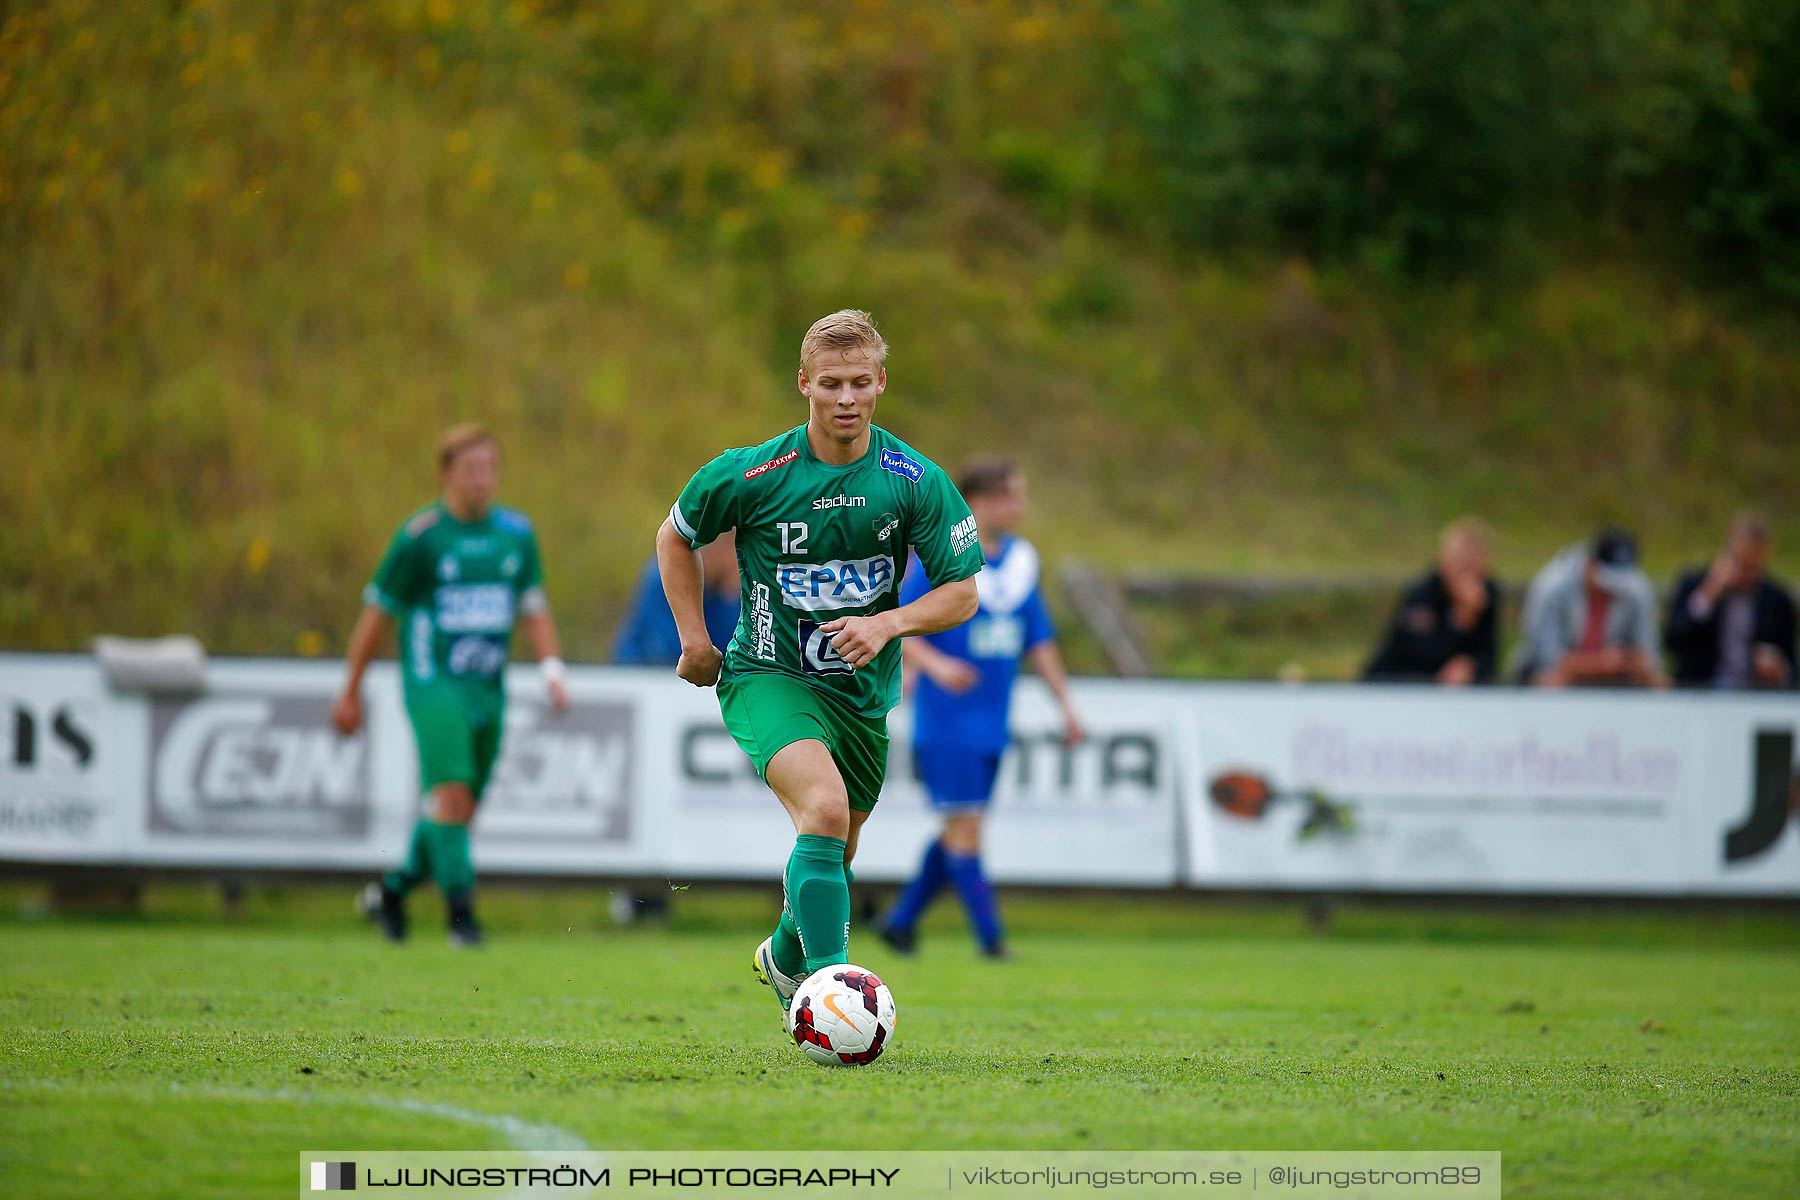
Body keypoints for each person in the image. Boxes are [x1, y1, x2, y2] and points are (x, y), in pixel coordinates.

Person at [655, 310, 983, 1023]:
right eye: (830, 383)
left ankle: (785, 956)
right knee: (825, 810)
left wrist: (888, 623)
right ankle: (834, 996)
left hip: (862, 694)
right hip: (768, 673)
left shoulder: (912, 479)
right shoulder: (751, 473)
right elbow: (674, 537)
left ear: (880, 384)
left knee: (834, 849)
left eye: (859, 383)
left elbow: (963, 591)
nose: (845, 398)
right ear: (803, 384)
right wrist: (694, 638)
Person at [332, 425, 570, 946]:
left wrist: (551, 667)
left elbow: (533, 608)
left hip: (487, 686)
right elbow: (377, 617)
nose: (481, 479)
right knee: (452, 795)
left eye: (490, 468)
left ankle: (391, 894)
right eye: (470, 469)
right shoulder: (420, 538)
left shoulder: (516, 534)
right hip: (431, 681)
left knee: (459, 810)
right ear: (446, 474)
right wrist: (350, 690)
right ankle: (462, 919)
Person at [875, 458, 1083, 959]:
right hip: (947, 721)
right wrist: (937, 667)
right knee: (965, 831)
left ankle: (900, 922)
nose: (1021, 507)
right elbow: (895, 622)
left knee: (959, 829)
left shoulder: (1020, 563)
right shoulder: (941, 555)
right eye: (1013, 496)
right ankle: (992, 941)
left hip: (993, 720)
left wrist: (1066, 706)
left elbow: (1041, 641)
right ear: (983, 502)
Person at [1515, 527, 1666, 688]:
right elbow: (1546, 658)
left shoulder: (1639, 590)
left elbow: (1649, 655)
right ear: (1590, 564)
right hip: (1552, 679)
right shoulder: (1552, 587)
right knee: (1549, 680)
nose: (1613, 590)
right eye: (1608, 582)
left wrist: (1640, 666)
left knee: (1658, 684)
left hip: (1615, 683)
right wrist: (1601, 663)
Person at [1664, 513, 1796, 689]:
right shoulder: (1694, 585)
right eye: (1741, 563)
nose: (1745, 574)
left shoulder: (1777, 600)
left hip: (1755, 695)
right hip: (1698, 692)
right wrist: (1708, 596)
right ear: (1725, 554)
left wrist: (1781, 670)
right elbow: (1673, 641)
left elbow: (1791, 664)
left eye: (1753, 567)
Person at [1362, 517, 1500, 685]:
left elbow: (1490, 654)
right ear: (1443, 561)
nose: (1466, 575)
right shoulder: (1423, 595)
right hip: (1393, 685)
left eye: (1472, 565)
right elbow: (1417, 658)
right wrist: (1460, 621)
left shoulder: (1487, 594)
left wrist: (1473, 666)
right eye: (1460, 564)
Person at [612, 532, 741, 665]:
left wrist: (731, 599)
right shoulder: (666, 576)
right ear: (716, 551)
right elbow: (672, 652)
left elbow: (736, 652)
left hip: (693, 680)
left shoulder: (727, 591)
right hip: (640, 675)